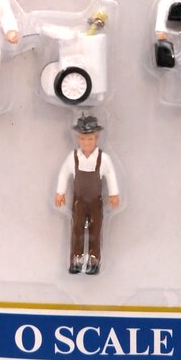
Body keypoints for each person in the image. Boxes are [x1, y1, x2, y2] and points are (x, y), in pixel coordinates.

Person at [54, 113, 120, 275]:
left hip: (96, 202)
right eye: (83, 139)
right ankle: (76, 261)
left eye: (90, 139)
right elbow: (64, 173)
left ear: (96, 139)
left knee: (95, 231)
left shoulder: (103, 158)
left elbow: (110, 175)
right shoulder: (73, 157)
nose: (86, 142)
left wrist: (113, 194)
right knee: (77, 231)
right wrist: (60, 193)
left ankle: (93, 262)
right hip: (79, 202)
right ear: (78, 139)